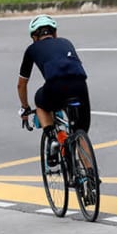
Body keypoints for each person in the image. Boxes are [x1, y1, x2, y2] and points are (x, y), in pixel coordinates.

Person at [17, 14, 91, 165]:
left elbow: (21, 84)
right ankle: (91, 178)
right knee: (80, 134)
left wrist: (25, 108)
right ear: (55, 33)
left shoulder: (32, 49)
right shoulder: (66, 42)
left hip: (56, 86)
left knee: (40, 101)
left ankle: (51, 139)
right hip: (80, 85)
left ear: (34, 37)